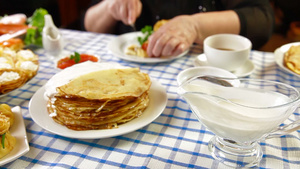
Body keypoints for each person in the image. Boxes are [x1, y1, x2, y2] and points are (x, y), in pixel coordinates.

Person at [84, 0, 274, 57]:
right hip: (124, 73)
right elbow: (88, 25)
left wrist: (195, 25)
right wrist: (109, 6)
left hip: (200, 77)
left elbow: (262, 20)